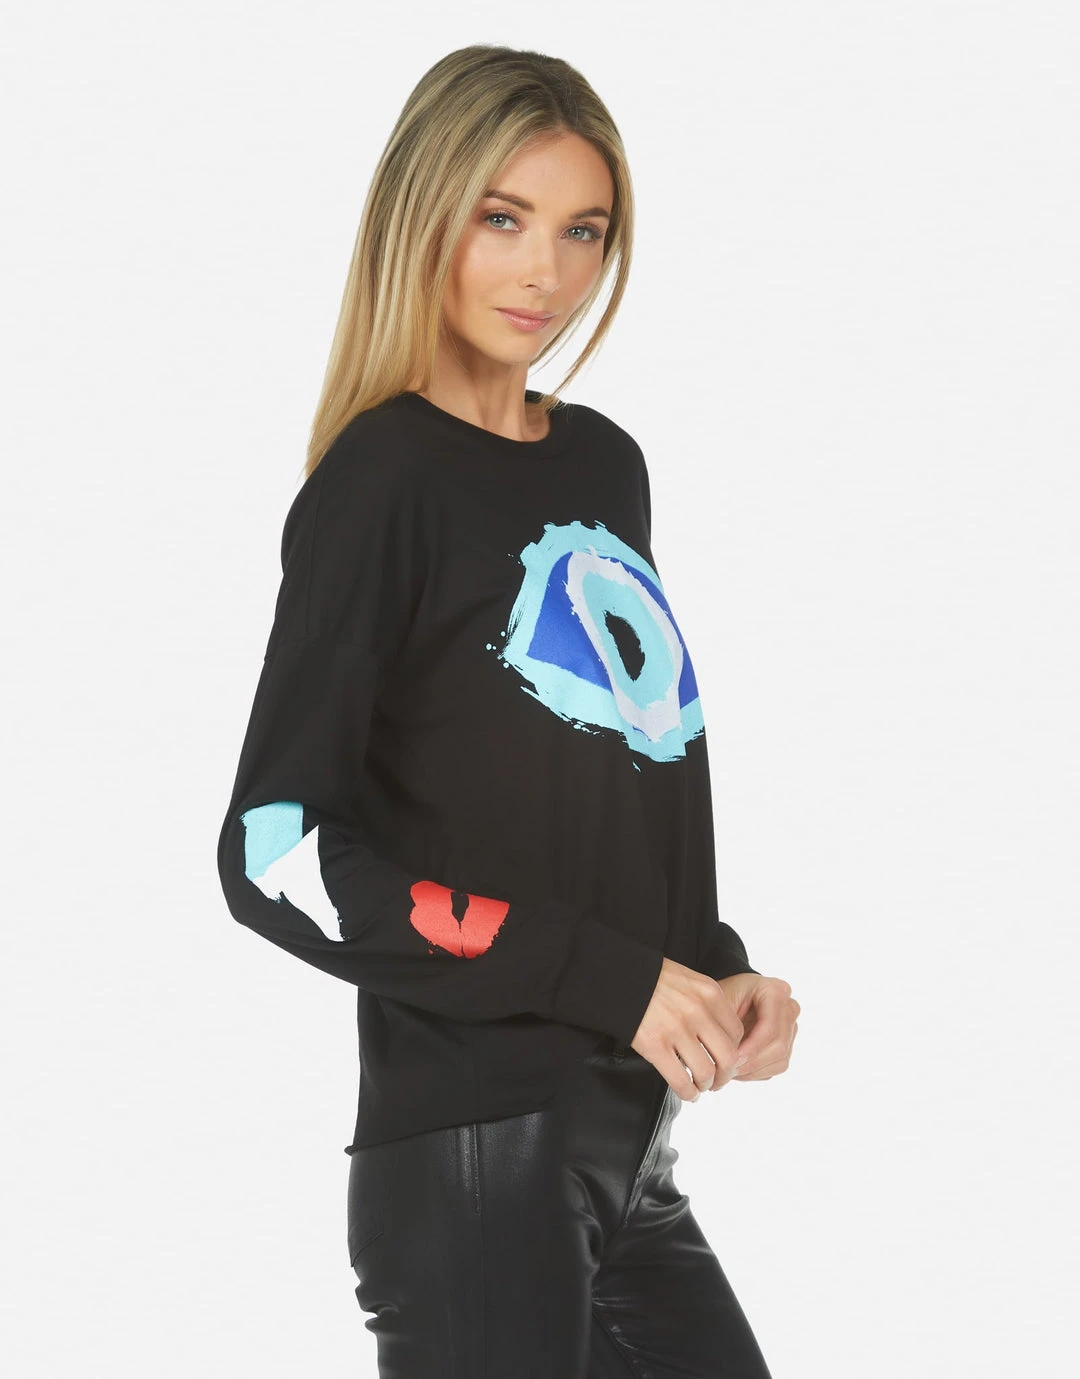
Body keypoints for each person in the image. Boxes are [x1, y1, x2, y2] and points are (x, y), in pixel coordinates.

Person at [216, 42, 799, 1379]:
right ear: (424, 218)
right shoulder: (381, 484)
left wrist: (710, 971)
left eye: (582, 230)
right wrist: (606, 978)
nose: (547, 272)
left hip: (629, 1154)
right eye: (503, 218)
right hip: (475, 1163)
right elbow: (275, 851)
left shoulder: (604, 464)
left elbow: (596, 785)